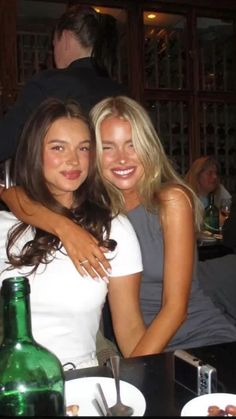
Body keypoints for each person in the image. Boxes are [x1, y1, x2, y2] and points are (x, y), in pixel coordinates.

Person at [2, 96, 236, 355]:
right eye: (109, 147)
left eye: (132, 144)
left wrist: (134, 371)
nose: (122, 159)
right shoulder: (98, 208)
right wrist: (63, 227)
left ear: (148, 147)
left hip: (200, 339)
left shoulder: (171, 200)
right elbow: (11, 194)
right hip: (141, 345)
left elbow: (176, 309)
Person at [0, 97, 146, 369]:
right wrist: (63, 227)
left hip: (82, 383)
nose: (73, 160)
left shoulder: (114, 229)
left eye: (83, 148)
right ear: (34, 152)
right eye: (58, 147)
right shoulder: (5, 226)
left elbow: (130, 329)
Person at [0, 5, 126, 163]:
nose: (54, 53)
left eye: (54, 45)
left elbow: (4, 141)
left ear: (65, 38)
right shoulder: (122, 92)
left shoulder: (49, 84)